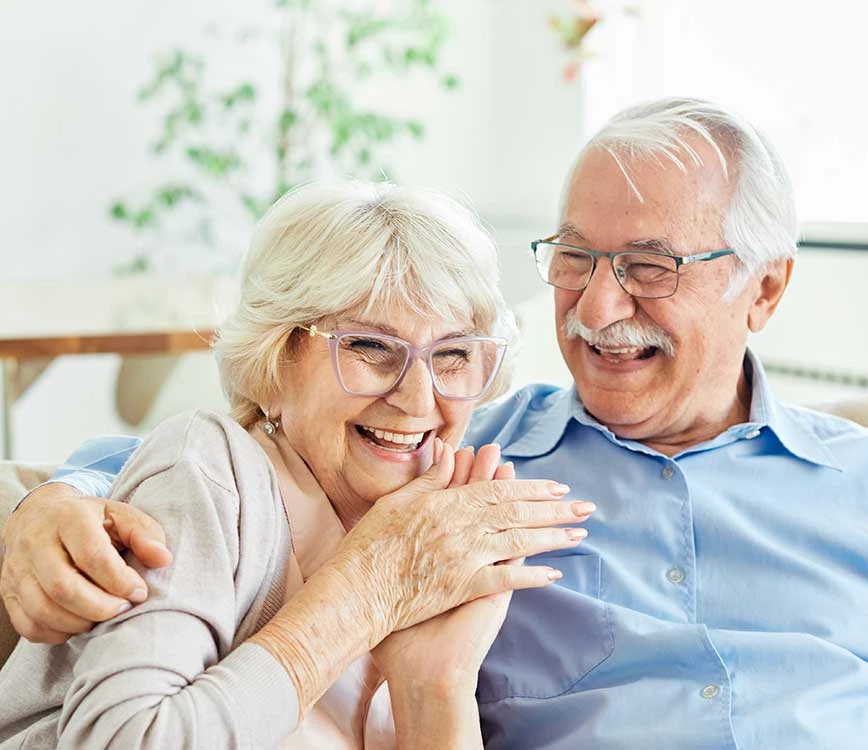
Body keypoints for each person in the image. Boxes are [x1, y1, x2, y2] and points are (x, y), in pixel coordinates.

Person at [4, 98, 868, 748]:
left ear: (765, 289)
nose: (596, 308)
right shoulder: (464, 464)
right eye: (572, 258)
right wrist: (60, 500)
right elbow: (215, 460)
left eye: (650, 266)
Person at [0, 181, 595, 749]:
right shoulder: (212, 472)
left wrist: (435, 689)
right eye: (370, 347)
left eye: (455, 353)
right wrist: (368, 594)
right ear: (276, 358)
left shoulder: (439, 528)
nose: (418, 398)